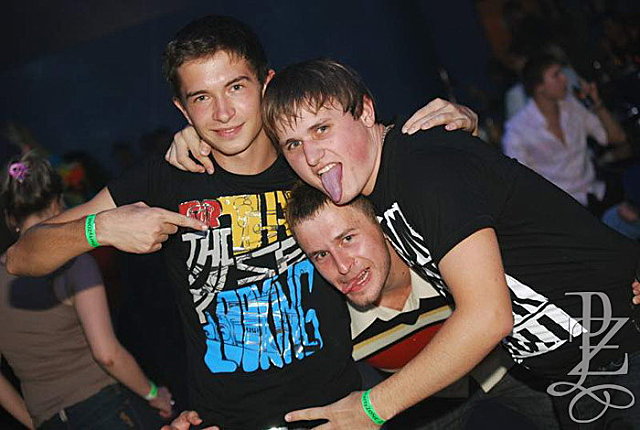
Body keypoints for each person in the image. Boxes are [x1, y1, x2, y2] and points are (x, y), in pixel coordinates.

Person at [5, 16, 480, 430]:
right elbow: (20, 257)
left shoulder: (309, 158)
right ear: (182, 109)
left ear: (266, 84)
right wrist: (101, 228)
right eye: (201, 97)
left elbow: (403, 153)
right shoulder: (164, 178)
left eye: (235, 87)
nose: (223, 113)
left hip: (339, 412)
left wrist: (461, 121)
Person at [259, 58, 640, 428]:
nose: (311, 156)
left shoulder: (423, 167)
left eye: (322, 128)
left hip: (619, 352)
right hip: (580, 375)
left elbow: (487, 316)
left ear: (365, 111)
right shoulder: (382, 184)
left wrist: (372, 409)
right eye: (293, 144)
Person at [285, 183, 560, 429]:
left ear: (381, 225)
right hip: (421, 400)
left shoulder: (444, 254)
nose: (342, 266)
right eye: (321, 255)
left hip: (510, 365)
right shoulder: (327, 319)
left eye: (347, 239)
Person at [0, 152, 173, 429]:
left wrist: (34, 421)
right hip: (101, 407)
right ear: (58, 204)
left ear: (11, 218)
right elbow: (107, 354)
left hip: (47, 418)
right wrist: (153, 394)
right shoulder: (75, 265)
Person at [502, 54, 627, 215]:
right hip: (562, 209)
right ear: (539, 87)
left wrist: (597, 105)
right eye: (556, 75)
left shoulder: (572, 107)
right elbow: (519, 183)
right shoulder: (518, 129)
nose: (564, 79)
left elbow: (617, 138)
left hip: (596, 193)